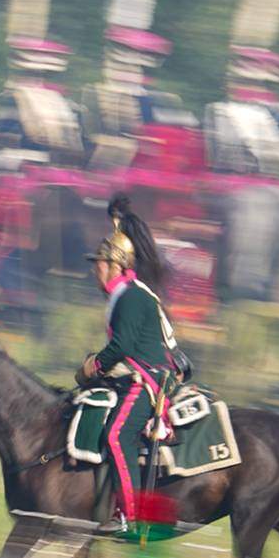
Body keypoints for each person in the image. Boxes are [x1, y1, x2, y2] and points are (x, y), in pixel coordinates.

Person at [79, 195, 185, 533]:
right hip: (138, 376)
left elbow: (122, 346)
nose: (94, 268)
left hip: (149, 381)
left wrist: (94, 365)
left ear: (114, 265)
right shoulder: (125, 295)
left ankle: (131, 514)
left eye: (98, 262)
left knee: (116, 435)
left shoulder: (131, 295)